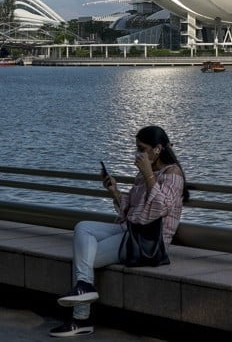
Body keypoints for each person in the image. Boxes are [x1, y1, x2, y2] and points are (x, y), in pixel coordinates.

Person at [49, 125, 189, 337]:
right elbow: (132, 208)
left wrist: (149, 174)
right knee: (83, 227)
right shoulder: (143, 175)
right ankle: (84, 290)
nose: (138, 153)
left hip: (149, 240)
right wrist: (114, 191)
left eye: (142, 148)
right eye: (136, 148)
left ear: (157, 149)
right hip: (130, 231)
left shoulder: (173, 174)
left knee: (85, 258)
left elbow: (160, 208)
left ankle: (81, 318)